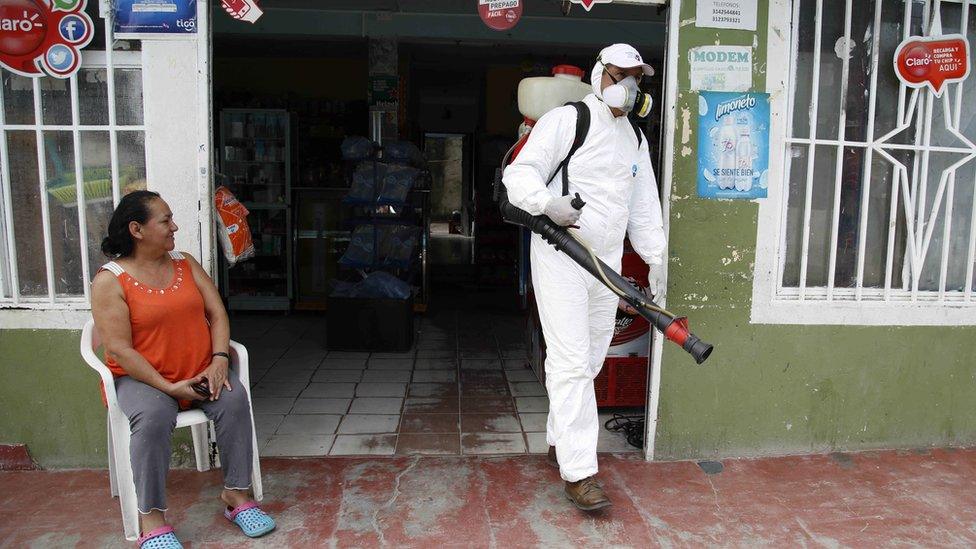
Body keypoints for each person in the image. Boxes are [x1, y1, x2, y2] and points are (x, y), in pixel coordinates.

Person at [502, 44, 666, 511]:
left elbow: (643, 205)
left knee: (591, 359)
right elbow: (520, 174)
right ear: (599, 74)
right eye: (620, 75)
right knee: (571, 362)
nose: (629, 86)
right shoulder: (568, 119)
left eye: (637, 78)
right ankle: (580, 473)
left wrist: (655, 260)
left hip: (606, 265)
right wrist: (547, 204)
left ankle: (560, 438)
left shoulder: (634, 138)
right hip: (562, 257)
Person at [90, 191, 275, 547]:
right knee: (154, 416)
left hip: (200, 370)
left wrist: (219, 360)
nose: (174, 226)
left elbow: (217, 313)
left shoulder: (184, 263)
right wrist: (168, 387)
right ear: (137, 229)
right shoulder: (110, 281)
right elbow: (119, 350)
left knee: (234, 401)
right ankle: (152, 519)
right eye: (165, 220)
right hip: (142, 379)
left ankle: (236, 496)